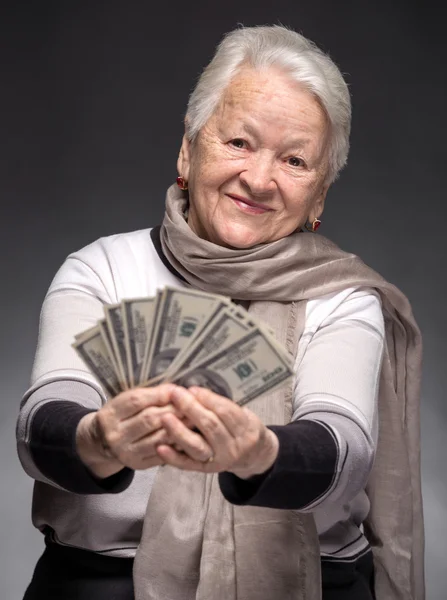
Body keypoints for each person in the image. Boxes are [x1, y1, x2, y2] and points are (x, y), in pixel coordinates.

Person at [17, 25, 424, 600]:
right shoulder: (102, 269)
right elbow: (40, 428)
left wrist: (256, 452)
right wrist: (101, 438)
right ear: (188, 148)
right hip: (102, 584)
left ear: (320, 195)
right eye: (239, 142)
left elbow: (344, 449)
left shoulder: (342, 297)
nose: (259, 179)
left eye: (295, 160)